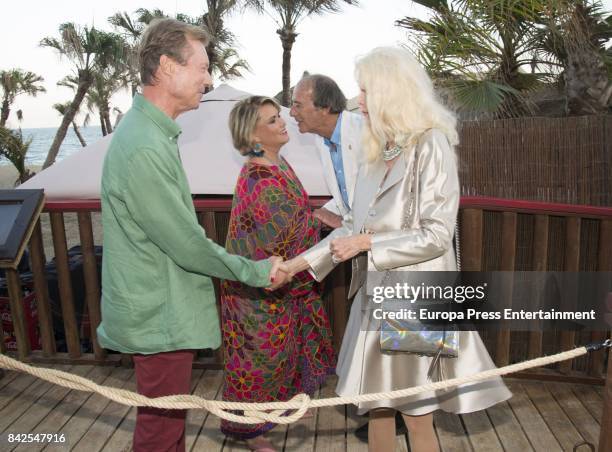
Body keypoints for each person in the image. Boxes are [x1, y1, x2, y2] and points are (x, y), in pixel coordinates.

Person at [286, 47, 511, 452]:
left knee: (416, 414)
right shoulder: (378, 151)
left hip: (418, 298)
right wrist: (295, 266)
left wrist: (369, 242)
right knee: (377, 407)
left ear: (392, 91)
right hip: (375, 297)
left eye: (366, 91)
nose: (359, 102)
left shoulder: (432, 145)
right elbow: (353, 225)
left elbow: (436, 234)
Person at [97, 19, 289, 452]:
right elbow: (185, 243)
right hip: (158, 315)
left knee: (163, 426)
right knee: (160, 435)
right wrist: (256, 271)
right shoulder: (144, 144)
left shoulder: (152, 136)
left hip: (160, 309)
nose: (209, 78)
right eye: (202, 67)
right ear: (167, 67)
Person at [220, 96, 336, 451]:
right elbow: (280, 235)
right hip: (258, 289)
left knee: (284, 356)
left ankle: (278, 412)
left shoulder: (277, 163)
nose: (282, 122)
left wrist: (321, 216)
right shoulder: (259, 176)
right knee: (260, 363)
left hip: (281, 283)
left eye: (279, 116)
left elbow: (296, 216)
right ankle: (250, 433)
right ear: (253, 135)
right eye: (271, 121)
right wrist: (326, 224)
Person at [290, 74, 362, 229]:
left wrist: (343, 223)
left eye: (298, 106)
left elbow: (381, 198)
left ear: (325, 107)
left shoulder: (365, 134)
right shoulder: (322, 140)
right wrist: (321, 213)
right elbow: (347, 196)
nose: (292, 113)